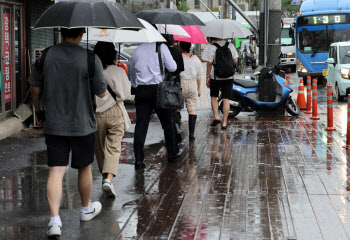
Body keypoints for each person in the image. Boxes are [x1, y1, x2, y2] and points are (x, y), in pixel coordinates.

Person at [29, 28, 107, 237]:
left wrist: (39, 112)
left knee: (56, 170)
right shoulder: (91, 58)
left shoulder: (46, 55)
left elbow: (35, 89)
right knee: (84, 167)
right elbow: (101, 91)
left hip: (54, 122)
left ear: (62, 32)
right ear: (81, 33)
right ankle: (85, 208)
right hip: (83, 123)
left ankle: (54, 221)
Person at [130, 42, 182, 169]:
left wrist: (137, 86)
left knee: (141, 126)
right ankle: (172, 154)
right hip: (159, 90)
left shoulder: (137, 50)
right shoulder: (161, 47)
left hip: (142, 91)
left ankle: (138, 159)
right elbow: (173, 67)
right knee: (167, 123)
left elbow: (132, 73)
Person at [93, 41, 131, 198]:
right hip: (115, 112)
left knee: (100, 148)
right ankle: (108, 180)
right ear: (113, 54)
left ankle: (105, 178)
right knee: (114, 147)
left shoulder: (91, 71)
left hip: (95, 114)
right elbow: (126, 94)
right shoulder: (118, 70)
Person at [202, 38, 238, 130]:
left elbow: (209, 63)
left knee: (214, 97)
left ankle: (217, 117)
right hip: (228, 77)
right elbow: (235, 60)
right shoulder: (230, 45)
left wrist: (208, 76)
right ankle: (224, 123)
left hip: (215, 76)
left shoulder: (211, 47)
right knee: (226, 100)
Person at [179, 41, 203, 140]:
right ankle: (192, 135)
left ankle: (177, 132)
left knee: (177, 108)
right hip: (192, 84)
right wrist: (199, 88)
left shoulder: (179, 57)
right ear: (190, 47)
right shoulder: (196, 59)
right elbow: (199, 75)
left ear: (181, 47)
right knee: (192, 110)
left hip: (181, 83)